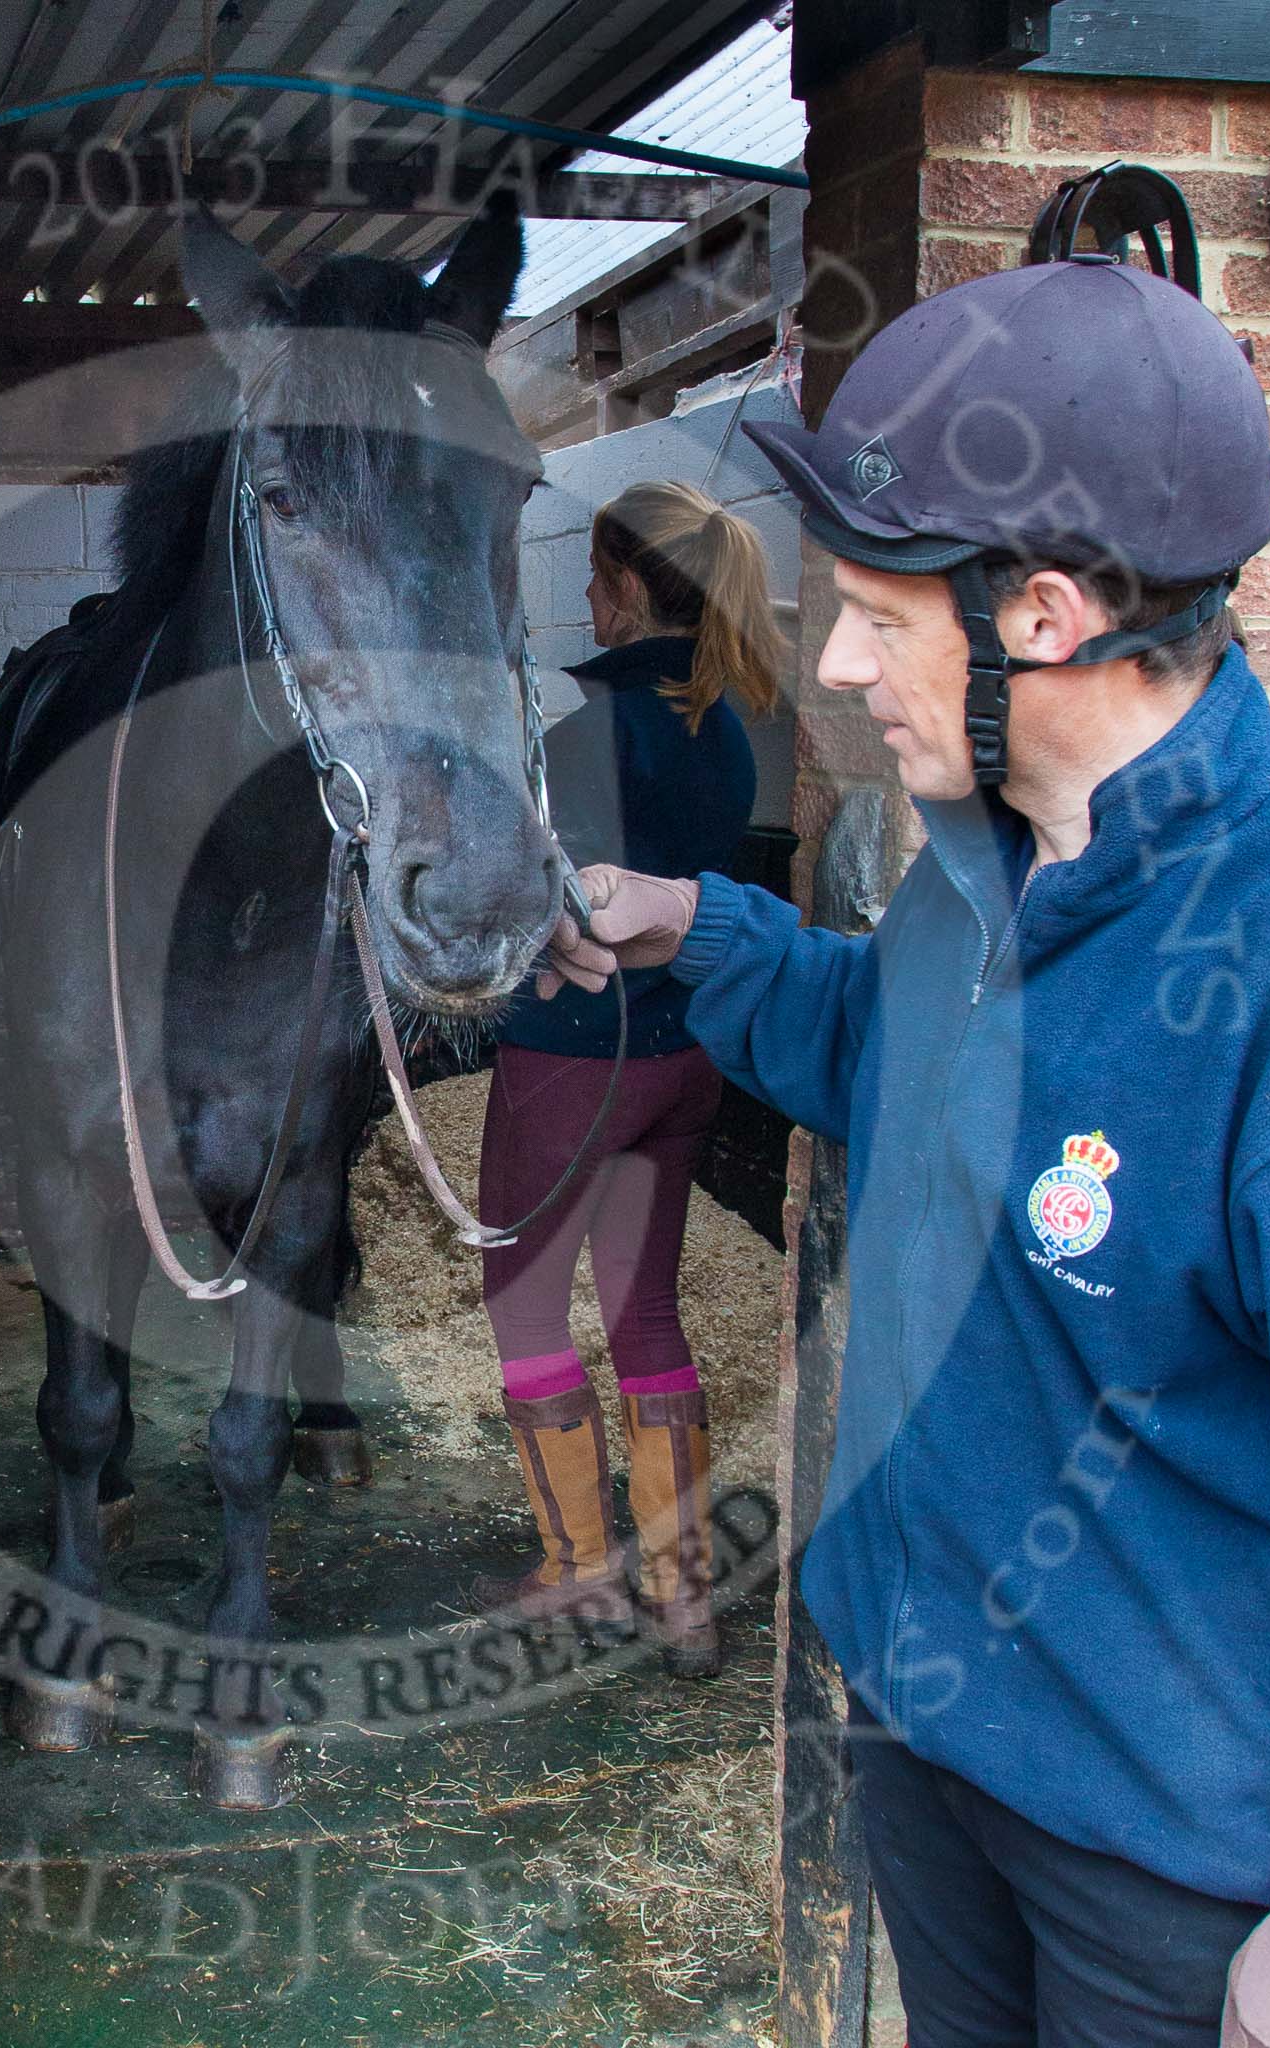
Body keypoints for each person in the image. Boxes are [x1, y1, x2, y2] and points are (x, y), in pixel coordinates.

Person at [542, 258, 1270, 2046]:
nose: (832, 661)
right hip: (926, 1733)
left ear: (1042, 615)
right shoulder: (974, 869)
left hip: (1162, 1857)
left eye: (879, 618)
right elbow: (873, 1053)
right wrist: (693, 924)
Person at [472, 481, 786, 1677]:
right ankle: (683, 1592)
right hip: (684, 1054)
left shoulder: (577, 720)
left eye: (596, 578)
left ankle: (577, 1574)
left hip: (570, 1056)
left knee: (525, 1304)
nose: (585, 599)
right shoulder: (722, 719)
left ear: (627, 585)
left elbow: (512, 884)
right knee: (646, 1310)